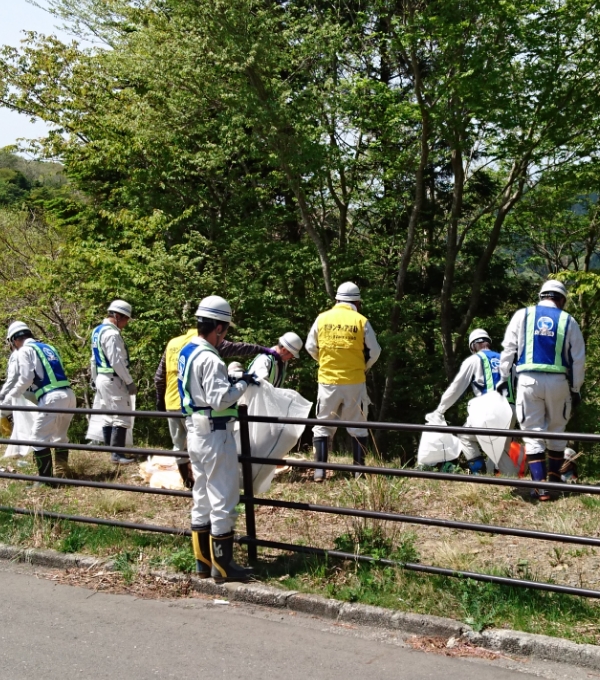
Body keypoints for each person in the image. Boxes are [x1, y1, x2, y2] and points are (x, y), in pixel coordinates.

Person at [178, 295, 258, 582]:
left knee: (201, 496)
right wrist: (244, 382)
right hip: (215, 432)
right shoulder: (211, 359)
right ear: (220, 328)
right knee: (224, 496)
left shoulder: (187, 351)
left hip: (195, 432)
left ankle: (202, 562)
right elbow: (221, 399)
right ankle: (223, 567)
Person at [155, 327, 284, 488]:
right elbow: (238, 348)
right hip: (197, 404)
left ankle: (188, 482)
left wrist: (160, 400)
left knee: (179, 444)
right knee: (200, 446)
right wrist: (261, 349)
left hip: (173, 400)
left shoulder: (173, 343)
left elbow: (159, 376)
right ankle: (203, 482)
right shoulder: (206, 344)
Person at [498, 280, 585, 501]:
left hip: (528, 380)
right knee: (556, 431)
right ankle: (555, 482)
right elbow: (578, 359)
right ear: (561, 299)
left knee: (532, 433)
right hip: (559, 382)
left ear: (541, 296)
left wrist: (503, 377)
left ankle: (541, 489)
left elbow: (509, 348)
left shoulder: (522, 315)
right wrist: (576, 389)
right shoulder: (569, 320)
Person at [305, 282, 381, 481]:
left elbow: (310, 346)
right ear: (356, 301)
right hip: (354, 381)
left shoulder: (322, 319)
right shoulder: (361, 320)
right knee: (358, 425)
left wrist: (323, 361)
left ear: (337, 300)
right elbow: (375, 351)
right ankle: (358, 472)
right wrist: (364, 366)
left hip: (327, 380)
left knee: (322, 425)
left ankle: (319, 471)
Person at [430, 328, 511, 474]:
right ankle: (507, 483)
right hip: (510, 411)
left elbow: (456, 388)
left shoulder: (474, 360)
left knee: (465, 436)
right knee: (500, 451)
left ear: (473, 346)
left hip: (490, 410)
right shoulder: (505, 360)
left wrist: (440, 409)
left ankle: (478, 474)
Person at [2, 322, 75, 481]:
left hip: (51, 397)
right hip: (69, 394)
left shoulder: (24, 350)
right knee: (60, 437)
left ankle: (46, 481)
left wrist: (13, 394)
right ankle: (63, 472)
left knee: (37, 439)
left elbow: (26, 378)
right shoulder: (49, 347)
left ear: (15, 340)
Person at [91, 300, 137, 465]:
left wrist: (93, 378)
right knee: (122, 414)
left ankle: (112, 451)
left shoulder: (97, 331)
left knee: (109, 414)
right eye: (125, 319)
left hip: (102, 377)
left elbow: (93, 360)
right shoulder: (112, 334)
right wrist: (129, 381)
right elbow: (116, 361)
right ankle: (117, 454)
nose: (126, 324)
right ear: (117, 316)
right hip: (113, 377)